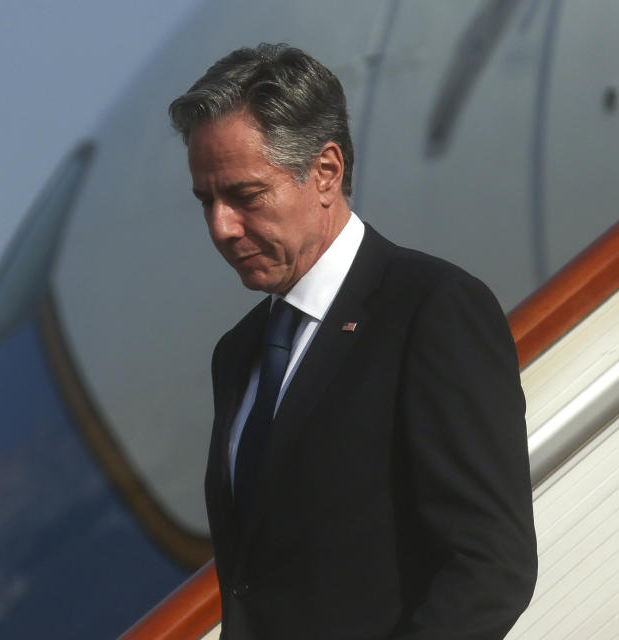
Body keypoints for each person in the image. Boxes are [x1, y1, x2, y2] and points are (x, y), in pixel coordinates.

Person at [168, 44, 537, 639]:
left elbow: (492, 565)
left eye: (244, 195)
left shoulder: (431, 309)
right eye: (206, 201)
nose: (221, 227)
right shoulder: (237, 355)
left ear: (326, 171)